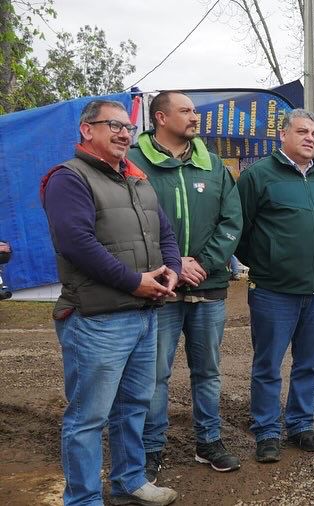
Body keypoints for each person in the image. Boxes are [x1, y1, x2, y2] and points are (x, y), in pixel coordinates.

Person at [41, 99, 181, 505]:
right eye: (114, 125)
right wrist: (134, 282)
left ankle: (129, 482)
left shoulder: (137, 179)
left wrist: (170, 268)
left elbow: (163, 232)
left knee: (134, 405)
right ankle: (83, 499)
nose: (124, 133)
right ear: (87, 130)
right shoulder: (69, 178)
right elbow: (76, 243)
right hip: (95, 319)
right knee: (88, 417)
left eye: (128, 128)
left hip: (144, 314)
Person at [130, 91, 243, 482]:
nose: (195, 117)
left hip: (207, 287)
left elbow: (232, 221)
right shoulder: (133, 163)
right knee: (154, 374)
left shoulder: (212, 164)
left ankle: (209, 441)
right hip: (159, 288)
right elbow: (129, 225)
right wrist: (173, 265)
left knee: (208, 371)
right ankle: (150, 449)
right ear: (161, 117)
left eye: (195, 110)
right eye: (187, 111)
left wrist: (205, 263)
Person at [236, 109, 314, 462]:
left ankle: (300, 425)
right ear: (283, 135)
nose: (310, 138)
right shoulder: (258, 176)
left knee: (309, 363)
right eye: (302, 132)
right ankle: (266, 431)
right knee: (268, 364)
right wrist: (267, 261)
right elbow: (240, 231)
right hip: (273, 291)